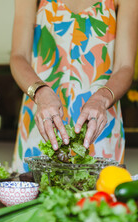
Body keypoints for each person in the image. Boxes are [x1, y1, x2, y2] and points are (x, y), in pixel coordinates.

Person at [10, 0, 138, 173]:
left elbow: (125, 66)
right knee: (33, 195)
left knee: (99, 196)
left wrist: (101, 99)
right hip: (42, 120)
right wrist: (40, 92)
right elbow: (18, 56)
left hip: (100, 123)